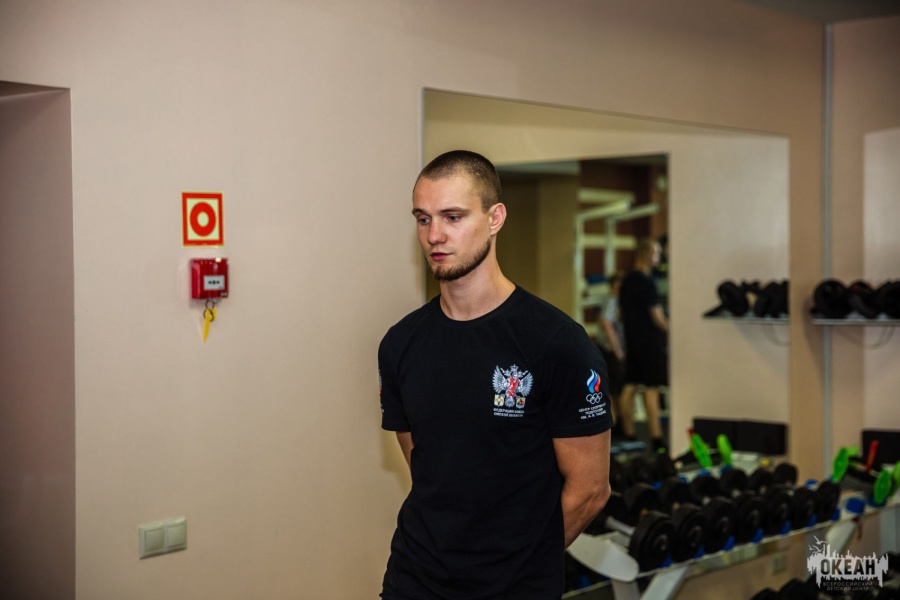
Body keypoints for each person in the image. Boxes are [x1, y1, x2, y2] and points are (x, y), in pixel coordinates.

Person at [378, 150, 612, 599]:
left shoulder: (557, 343)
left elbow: (590, 491)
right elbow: (427, 467)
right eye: (423, 219)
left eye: (453, 217)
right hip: (415, 580)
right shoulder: (400, 344)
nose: (434, 235)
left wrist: (516, 565)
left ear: (495, 218)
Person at [616, 238, 668, 451]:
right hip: (649, 343)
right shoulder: (646, 282)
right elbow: (658, 317)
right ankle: (657, 438)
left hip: (633, 341)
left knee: (630, 386)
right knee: (651, 388)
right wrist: (672, 330)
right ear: (647, 254)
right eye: (657, 254)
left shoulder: (627, 280)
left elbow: (620, 314)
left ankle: (628, 433)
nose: (659, 258)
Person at [595, 274, 626, 436]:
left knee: (616, 390)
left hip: (611, 350)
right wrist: (617, 349)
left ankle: (618, 423)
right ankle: (615, 424)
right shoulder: (612, 300)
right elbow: (606, 323)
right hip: (609, 351)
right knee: (614, 391)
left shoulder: (616, 301)